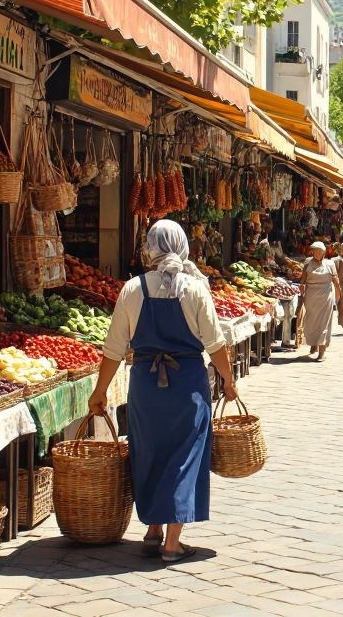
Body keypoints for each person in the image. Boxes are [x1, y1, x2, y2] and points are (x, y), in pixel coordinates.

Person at [89, 220, 235, 563]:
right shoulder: (195, 289)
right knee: (184, 457)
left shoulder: (133, 289)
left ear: (150, 249)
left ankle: (153, 530)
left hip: (145, 387)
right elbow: (215, 345)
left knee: (148, 452)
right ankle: (172, 542)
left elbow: (113, 349)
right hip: (187, 386)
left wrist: (100, 391)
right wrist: (228, 380)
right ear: (182, 246)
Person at [298, 242, 337, 360]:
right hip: (311, 296)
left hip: (326, 296)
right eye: (315, 250)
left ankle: (322, 351)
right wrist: (301, 292)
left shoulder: (330, 264)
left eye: (319, 251)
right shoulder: (307, 263)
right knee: (312, 322)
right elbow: (303, 279)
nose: (316, 253)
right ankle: (314, 343)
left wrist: (339, 294)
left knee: (324, 322)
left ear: (323, 252)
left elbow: (335, 279)